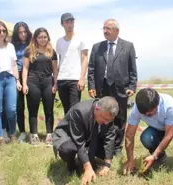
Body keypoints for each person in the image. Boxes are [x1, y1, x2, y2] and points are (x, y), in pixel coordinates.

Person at [87, 19, 138, 156]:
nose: (105, 31)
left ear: (117, 31)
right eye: (103, 28)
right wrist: (91, 86)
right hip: (102, 87)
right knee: (102, 116)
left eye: (108, 28)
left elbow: (132, 69)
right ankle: (102, 146)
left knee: (120, 118)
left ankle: (117, 148)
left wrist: (132, 86)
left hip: (120, 88)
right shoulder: (97, 47)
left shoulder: (127, 46)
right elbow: (91, 68)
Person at [122, 88, 173, 183]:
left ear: (158, 104)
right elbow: (129, 135)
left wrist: (154, 155)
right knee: (146, 137)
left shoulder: (169, 104)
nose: (147, 114)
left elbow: (169, 135)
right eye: (144, 113)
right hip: (157, 129)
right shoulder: (137, 109)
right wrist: (130, 159)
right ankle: (161, 157)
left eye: (150, 112)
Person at [52, 96, 119, 185]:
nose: (106, 122)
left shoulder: (106, 114)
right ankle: (71, 165)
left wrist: (107, 164)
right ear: (98, 109)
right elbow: (78, 142)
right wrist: (88, 168)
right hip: (69, 136)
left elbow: (110, 136)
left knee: (116, 130)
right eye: (105, 119)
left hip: (87, 136)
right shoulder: (79, 111)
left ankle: (88, 158)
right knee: (67, 149)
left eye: (109, 120)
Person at [22, 27, 58, 146]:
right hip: (33, 81)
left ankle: (49, 135)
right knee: (33, 109)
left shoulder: (51, 51)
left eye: (45, 37)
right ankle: (34, 134)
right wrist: (24, 84)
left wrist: (55, 84)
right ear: (36, 38)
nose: (43, 39)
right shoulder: (29, 51)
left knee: (49, 109)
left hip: (48, 81)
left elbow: (55, 70)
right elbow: (25, 68)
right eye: (40, 37)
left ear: (48, 38)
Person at [56, 13, 88, 115]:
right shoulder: (59, 41)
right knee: (66, 108)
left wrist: (82, 78)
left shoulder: (81, 39)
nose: (70, 24)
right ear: (62, 24)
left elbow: (85, 59)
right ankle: (67, 131)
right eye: (67, 22)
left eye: (71, 21)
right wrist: (56, 79)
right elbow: (60, 60)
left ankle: (75, 131)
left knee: (74, 108)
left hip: (75, 79)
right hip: (62, 79)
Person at [11, 21, 32, 142]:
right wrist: (16, 79)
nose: (23, 34)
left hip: (31, 75)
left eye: (24, 31)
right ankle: (22, 132)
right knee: (19, 106)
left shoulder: (32, 44)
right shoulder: (12, 45)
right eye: (20, 32)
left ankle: (32, 131)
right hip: (16, 75)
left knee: (31, 105)